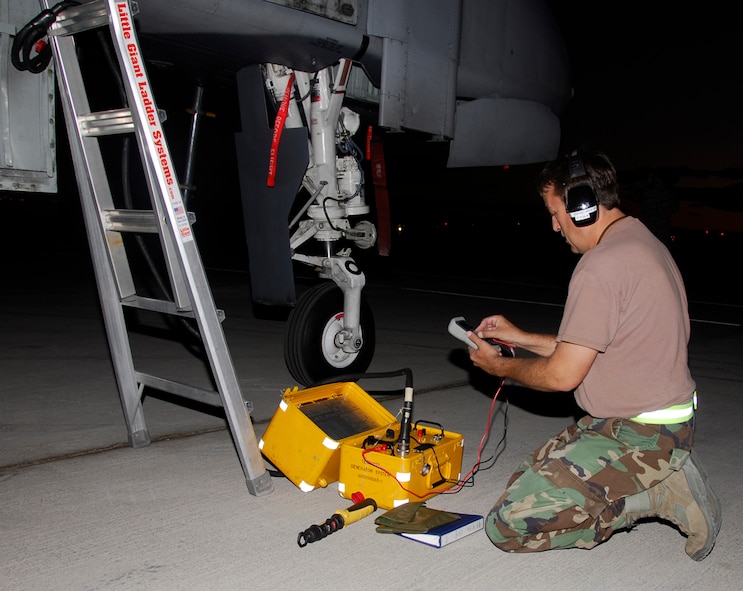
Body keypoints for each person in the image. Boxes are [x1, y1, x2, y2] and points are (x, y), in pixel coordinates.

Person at [465, 148, 721, 560]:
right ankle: (659, 478)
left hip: (641, 436)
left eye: (555, 213)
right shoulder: (639, 240)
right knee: (524, 481)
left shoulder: (602, 265)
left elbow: (563, 375)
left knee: (508, 525)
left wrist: (500, 366)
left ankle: (656, 497)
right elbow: (593, 347)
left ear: (582, 207)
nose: (554, 226)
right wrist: (521, 336)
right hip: (643, 424)